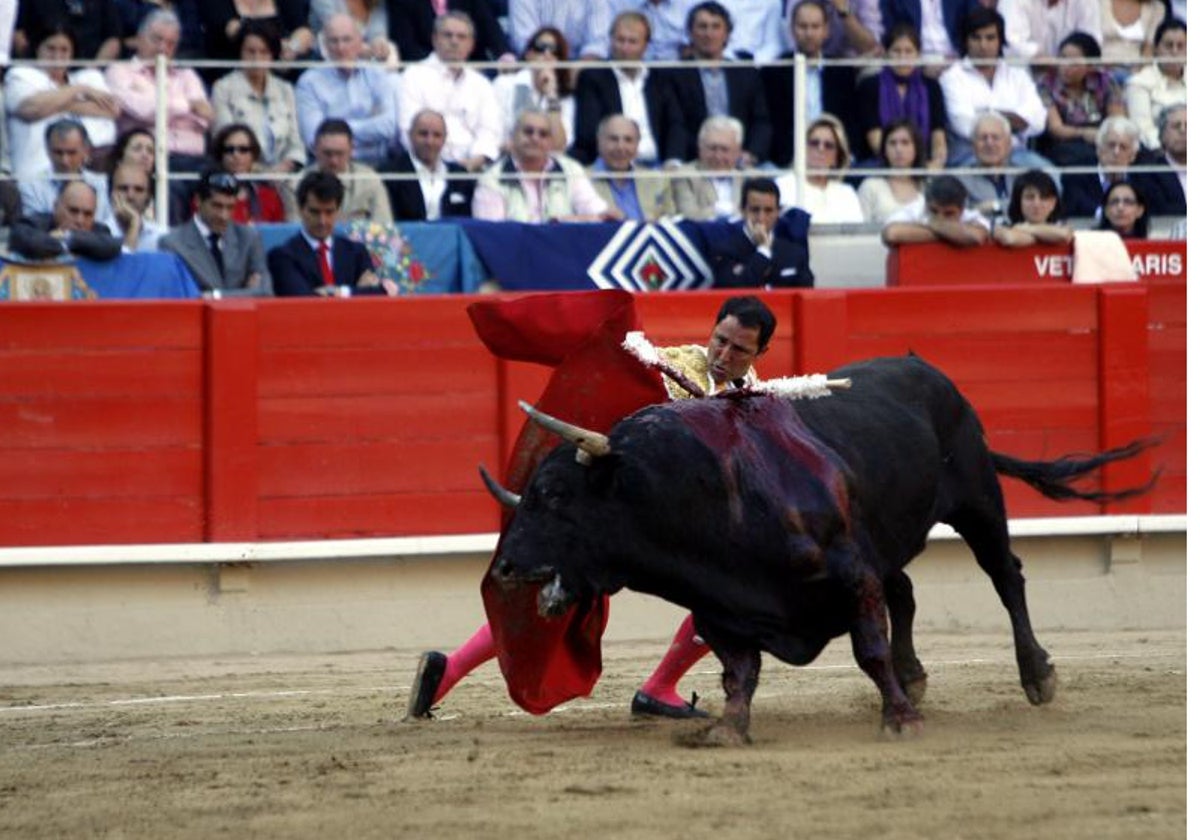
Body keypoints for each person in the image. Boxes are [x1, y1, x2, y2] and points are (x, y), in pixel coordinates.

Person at [407, 295, 782, 721]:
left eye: (739, 350)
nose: (723, 355)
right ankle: (450, 671)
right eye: (720, 341)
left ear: (760, 353)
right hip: (625, 516)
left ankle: (659, 688)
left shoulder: (752, 393)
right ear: (711, 331)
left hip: (674, 524)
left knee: (729, 588)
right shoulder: (670, 367)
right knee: (561, 598)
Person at [570, 11, 687, 166]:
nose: (625, 48)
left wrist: (673, 161)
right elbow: (588, 131)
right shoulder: (593, 77)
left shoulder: (660, 79)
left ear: (646, 46)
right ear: (610, 41)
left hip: (657, 164)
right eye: (620, 40)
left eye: (632, 42)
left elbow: (675, 124)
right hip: (610, 163)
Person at [4, 25, 119, 181]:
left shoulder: (89, 77)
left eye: (64, 50)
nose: (57, 56)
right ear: (38, 49)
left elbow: (112, 109)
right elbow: (30, 109)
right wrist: (78, 90)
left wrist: (52, 104)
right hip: (33, 176)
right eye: (50, 49)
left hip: (87, 177)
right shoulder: (21, 75)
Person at [396, 12, 503, 173]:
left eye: (461, 37)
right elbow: (407, 130)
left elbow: (490, 131)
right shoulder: (413, 76)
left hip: (473, 168)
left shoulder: (482, 84)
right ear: (435, 39)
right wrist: (442, 165)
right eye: (448, 35)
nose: (454, 41)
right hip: (424, 166)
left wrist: (473, 161)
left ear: (471, 44)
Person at [106, 10, 213, 171]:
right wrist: (188, 106)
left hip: (195, 158)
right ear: (140, 38)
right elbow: (143, 110)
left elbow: (204, 119)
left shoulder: (187, 75)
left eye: (171, 43)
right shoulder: (119, 71)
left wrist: (159, 109)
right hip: (148, 160)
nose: (162, 48)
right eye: (157, 39)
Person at [938, 6, 1047, 164]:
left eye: (990, 38)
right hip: (970, 156)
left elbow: (1038, 121)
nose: (983, 45)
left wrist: (986, 114)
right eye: (976, 38)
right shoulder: (952, 77)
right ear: (966, 41)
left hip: (1016, 154)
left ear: (1000, 41)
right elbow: (963, 124)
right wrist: (1012, 120)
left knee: (1050, 177)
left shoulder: (1018, 75)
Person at [672, 1, 772, 167]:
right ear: (690, 33)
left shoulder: (746, 73)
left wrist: (752, 154)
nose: (709, 34)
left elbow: (761, 121)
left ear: (727, 34)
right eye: (702, 27)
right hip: (695, 161)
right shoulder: (675, 74)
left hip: (741, 160)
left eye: (716, 27)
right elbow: (676, 124)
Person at [268, 170, 399, 296]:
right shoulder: (283, 256)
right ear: (301, 210)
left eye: (329, 212)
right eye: (315, 212)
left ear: (338, 211)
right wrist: (355, 291)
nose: (322, 221)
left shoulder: (356, 252)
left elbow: (378, 294)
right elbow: (302, 300)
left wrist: (337, 292)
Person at [762, 0, 861, 166]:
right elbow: (774, 125)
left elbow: (850, 121)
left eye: (815, 27)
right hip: (788, 160)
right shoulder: (774, 72)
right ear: (792, 30)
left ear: (826, 31)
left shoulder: (841, 71)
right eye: (803, 26)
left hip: (832, 159)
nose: (809, 33)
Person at [472, 110, 617, 222]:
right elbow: (491, 236)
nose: (535, 138)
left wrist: (605, 215)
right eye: (528, 132)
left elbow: (595, 210)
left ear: (551, 142)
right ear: (513, 137)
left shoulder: (570, 169)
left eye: (543, 134)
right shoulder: (491, 180)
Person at [295, 14, 399, 168]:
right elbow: (315, 139)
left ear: (360, 42)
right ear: (325, 45)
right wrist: (371, 125)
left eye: (346, 39)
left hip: (380, 166)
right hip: (332, 168)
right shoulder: (309, 82)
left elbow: (389, 127)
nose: (341, 48)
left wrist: (337, 128)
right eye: (334, 41)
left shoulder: (378, 75)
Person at [211, 20, 308, 177]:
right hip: (241, 175)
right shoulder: (223, 89)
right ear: (240, 52)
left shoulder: (285, 90)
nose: (257, 58)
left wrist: (285, 167)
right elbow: (226, 143)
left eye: (264, 52)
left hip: (284, 176)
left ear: (272, 55)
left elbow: (295, 143)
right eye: (251, 51)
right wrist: (265, 173)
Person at [158, 170, 272, 297]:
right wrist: (244, 293)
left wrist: (213, 296)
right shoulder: (173, 244)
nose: (224, 215)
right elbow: (180, 297)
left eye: (230, 207)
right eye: (217, 206)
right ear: (198, 201)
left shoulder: (249, 237)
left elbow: (264, 293)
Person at [856, 22, 948, 170]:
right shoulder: (870, 86)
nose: (902, 57)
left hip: (923, 164)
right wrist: (904, 165)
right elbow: (875, 138)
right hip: (882, 163)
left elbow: (938, 136)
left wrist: (936, 163)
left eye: (908, 51)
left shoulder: (931, 87)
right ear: (886, 53)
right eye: (896, 51)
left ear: (918, 54)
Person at [1036, 31, 1125, 167]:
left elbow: (1118, 119)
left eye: (1074, 63)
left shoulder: (1105, 80)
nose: (1065, 67)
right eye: (1062, 58)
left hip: (1103, 136)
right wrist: (1084, 134)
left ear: (1090, 67)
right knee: (1086, 158)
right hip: (1065, 142)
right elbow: (1056, 128)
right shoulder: (1046, 84)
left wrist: (1106, 137)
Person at [709, 179, 815, 288]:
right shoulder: (724, 251)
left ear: (778, 212)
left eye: (768, 210)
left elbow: (807, 295)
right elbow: (736, 290)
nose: (761, 218)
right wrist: (763, 251)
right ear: (742, 210)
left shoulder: (795, 253)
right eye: (755, 210)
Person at [491, 26, 575, 153]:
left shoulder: (564, 97)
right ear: (529, 54)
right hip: (508, 158)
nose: (547, 54)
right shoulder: (504, 84)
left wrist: (551, 95)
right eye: (541, 48)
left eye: (555, 51)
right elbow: (494, 137)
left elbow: (559, 146)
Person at [381, 109, 476, 221]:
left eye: (437, 135)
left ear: (445, 138)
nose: (429, 142)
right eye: (423, 134)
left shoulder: (460, 176)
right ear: (410, 135)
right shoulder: (389, 174)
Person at [958, 110, 1057, 216]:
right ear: (973, 145)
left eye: (995, 138)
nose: (989, 143)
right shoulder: (959, 180)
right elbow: (960, 217)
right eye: (983, 138)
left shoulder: (1025, 176)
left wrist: (996, 206)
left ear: (1009, 144)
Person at [1059, 115, 1155, 218]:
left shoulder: (1144, 178)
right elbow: (1079, 208)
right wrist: (1110, 217)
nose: (1116, 152)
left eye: (1123, 147)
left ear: (1132, 156)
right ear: (1099, 150)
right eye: (1111, 145)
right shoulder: (1077, 175)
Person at [302, 118, 394, 224]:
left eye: (340, 153)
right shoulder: (296, 183)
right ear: (315, 149)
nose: (334, 161)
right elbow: (294, 230)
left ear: (351, 150)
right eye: (327, 153)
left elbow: (384, 226)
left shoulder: (370, 180)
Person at [588, 115, 676, 222]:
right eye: (613, 139)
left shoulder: (657, 180)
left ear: (637, 145)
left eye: (628, 140)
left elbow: (672, 221)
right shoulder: (581, 179)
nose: (621, 147)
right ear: (599, 142)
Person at [19, 120, 113, 220]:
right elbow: (33, 227)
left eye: (72, 153)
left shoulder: (102, 185)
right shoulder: (31, 186)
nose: (65, 161)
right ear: (47, 150)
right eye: (58, 153)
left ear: (86, 150)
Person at [10, 180, 123, 261]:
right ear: (55, 207)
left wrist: (68, 238)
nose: (80, 220)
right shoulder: (34, 223)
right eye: (73, 211)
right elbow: (24, 238)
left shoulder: (99, 230)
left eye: (88, 214)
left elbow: (112, 246)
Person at [784, 113, 864, 224]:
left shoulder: (847, 194)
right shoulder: (783, 186)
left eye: (829, 145)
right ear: (802, 148)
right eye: (814, 143)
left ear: (837, 157)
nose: (821, 149)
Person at [205, 123, 288, 223]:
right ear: (221, 155)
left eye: (243, 150)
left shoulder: (270, 196)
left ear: (253, 155)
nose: (236, 155)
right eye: (229, 150)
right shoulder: (207, 195)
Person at [1124, 19, 1186, 151]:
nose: (1175, 52)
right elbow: (1143, 130)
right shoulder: (1138, 83)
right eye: (1169, 45)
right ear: (1156, 49)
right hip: (1160, 155)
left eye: (1180, 46)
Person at [200, 0, 314, 70]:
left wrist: (292, 48)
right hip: (234, 70)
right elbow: (234, 30)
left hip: (282, 71)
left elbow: (304, 31)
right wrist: (277, 46)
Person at [385, 0, 512, 63]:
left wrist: (504, 55)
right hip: (425, 68)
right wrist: (442, 64)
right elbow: (406, 44)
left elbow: (489, 25)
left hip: (470, 66)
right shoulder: (402, 2)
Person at [881, 173, 989, 245]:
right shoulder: (915, 210)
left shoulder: (969, 215)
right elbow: (892, 234)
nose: (940, 217)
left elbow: (976, 236)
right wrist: (953, 235)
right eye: (933, 211)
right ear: (926, 204)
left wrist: (933, 224)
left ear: (961, 210)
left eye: (948, 213)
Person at [672, 115, 744, 221]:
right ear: (700, 148)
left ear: (737, 152)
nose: (718, 156)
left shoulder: (749, 177)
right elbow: (688, 217)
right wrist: (718, 210)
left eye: (725, 149)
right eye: (712, 148)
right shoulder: (684, 175)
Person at [856, 119, 925, 223]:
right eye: (892, 143)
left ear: (916, 148)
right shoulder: (870, 187)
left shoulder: (928, 188)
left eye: (905, 143)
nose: (898, 149)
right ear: (885, 150)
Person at [14, 0, 122, 62]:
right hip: (38, 69)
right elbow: (18, 33)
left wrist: (93, 68)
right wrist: (32, 59)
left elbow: (112, 40)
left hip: (87, 70)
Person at [997, 0, 1101, 62]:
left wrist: (1070, 62)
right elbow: (1011, 42)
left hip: (1073, 75)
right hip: (1025, 76)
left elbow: (1092, 40)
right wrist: (1039, 57)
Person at [991, 168, 1074, 247]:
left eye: (1043, 197)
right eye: (1030, 197)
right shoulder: (1003, 224)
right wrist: (1047, 236)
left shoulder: (1062, 225)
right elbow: (1009, 239)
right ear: (1018, 201)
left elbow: (1064, 235)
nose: (1036, 204)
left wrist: (1026, 228)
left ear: (1053, 203)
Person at [506, 0, 609, 59]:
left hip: (581, 68)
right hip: (537, 65)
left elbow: (598, 42)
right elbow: (524, 41)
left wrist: (578, 70)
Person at [310, 0, 400, 67]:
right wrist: (368, 50)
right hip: (329, 65)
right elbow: (339, 30)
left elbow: (377, 33)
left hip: (368, 68)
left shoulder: (378, 3)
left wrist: (379, 43)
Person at [879, 0, 977, 61]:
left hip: (956, 61)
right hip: (914, 60)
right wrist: (921, 62)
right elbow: (890, 31)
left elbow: (976, 24)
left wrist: (959, 57)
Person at [106, 162, 165, 251]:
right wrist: (134, 225)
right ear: (111, 194)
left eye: (139, 190)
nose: (130, 196)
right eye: (123, 188)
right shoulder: (98, 234)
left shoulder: (162, 237)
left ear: (148, 197)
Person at [1099, 0, 1166, 71]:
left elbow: (1149, 48)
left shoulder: (1157, 7)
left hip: (1135, 69)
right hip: (1101, 67)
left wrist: (1139, 74)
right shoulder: (1099, 2)